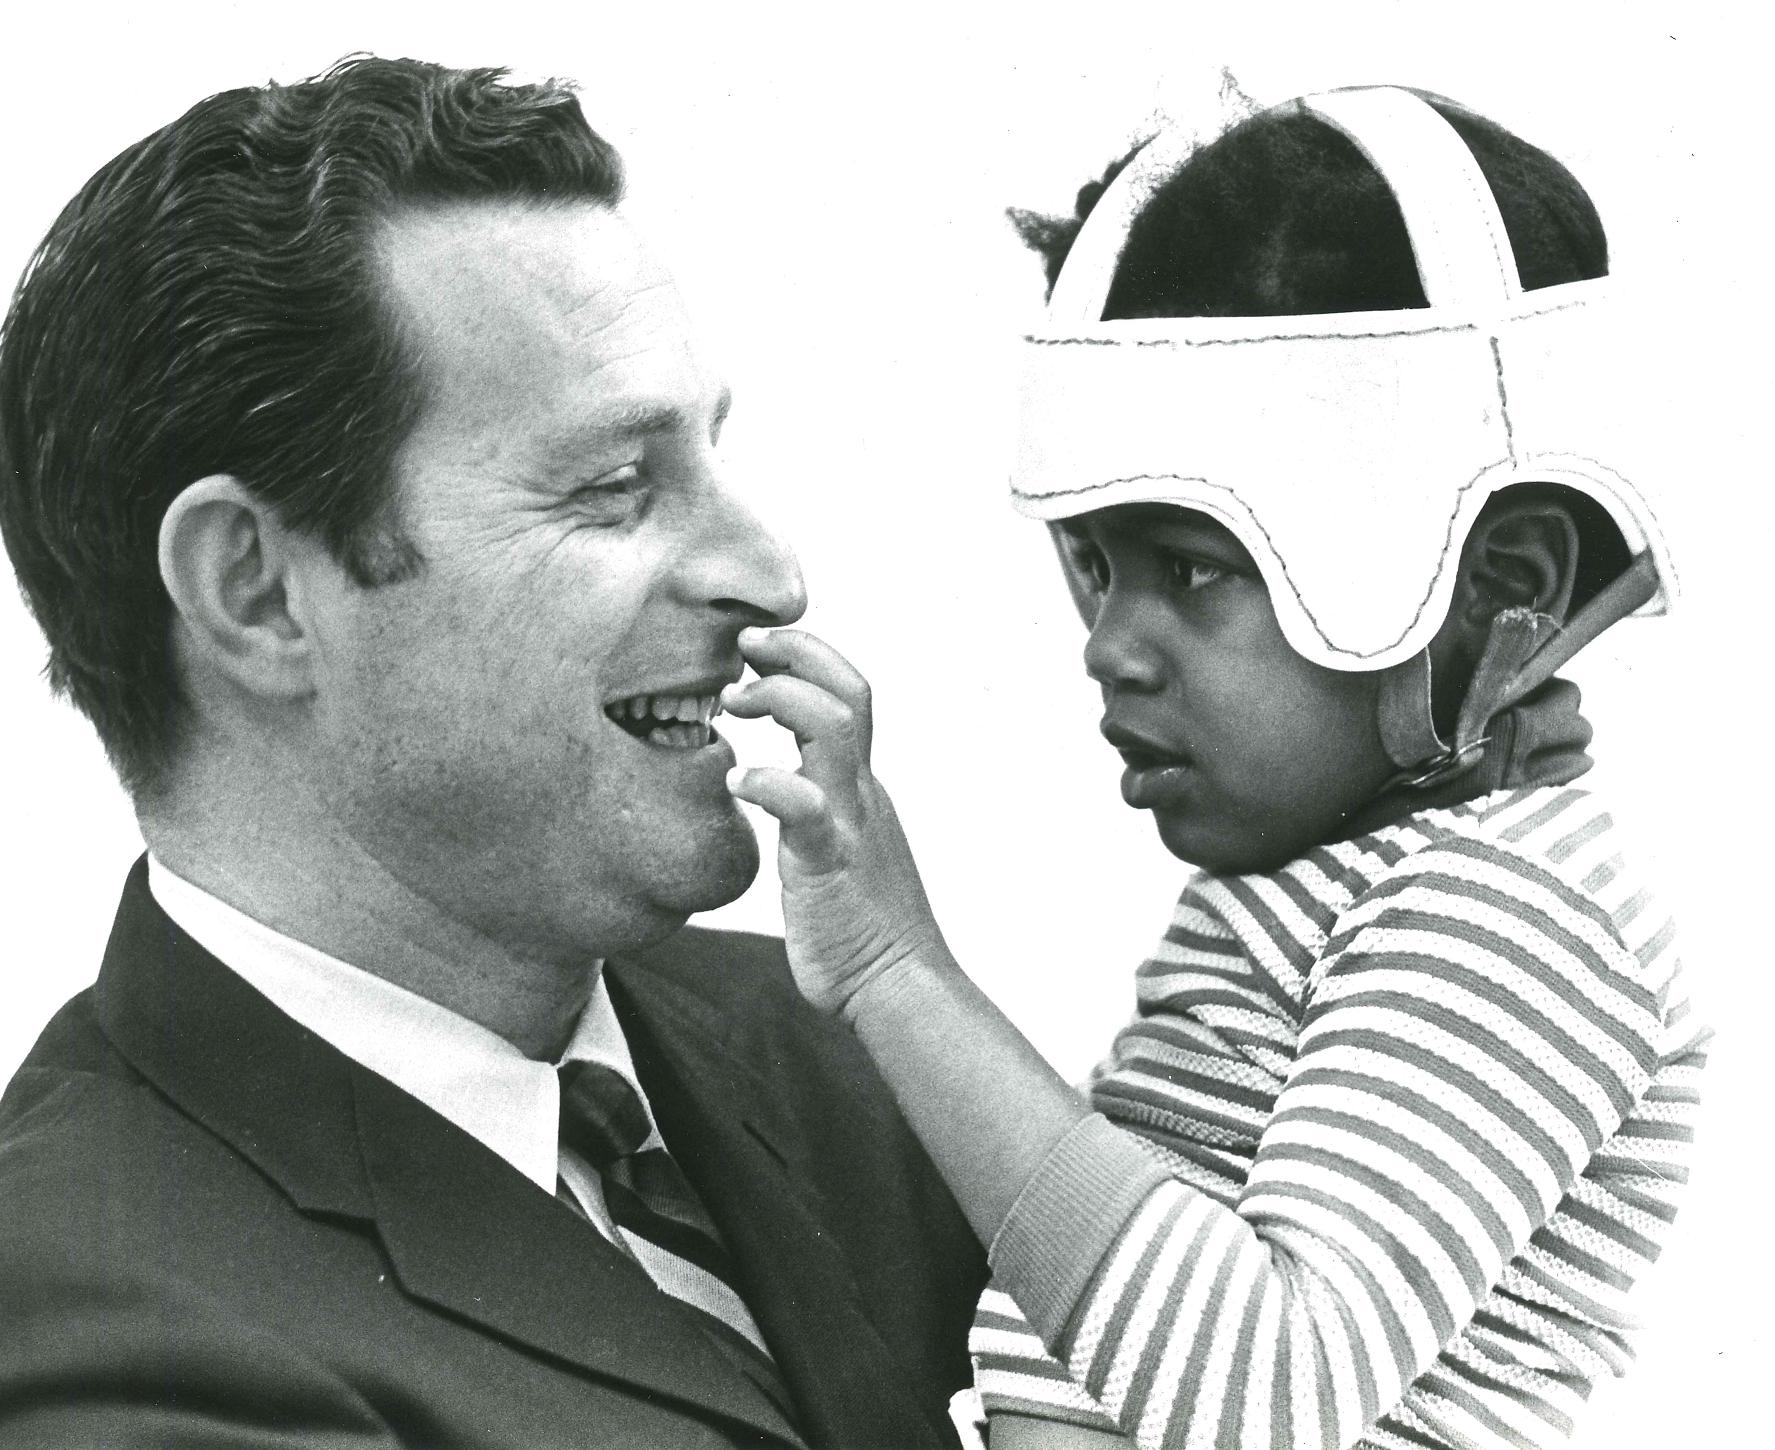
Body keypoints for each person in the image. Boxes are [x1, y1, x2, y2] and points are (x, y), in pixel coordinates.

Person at [0, 57, 987, 1448]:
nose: (770, 576)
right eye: (613, 488)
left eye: (710, 457)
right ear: (256, 592)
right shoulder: (73, 1344)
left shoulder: (845, 1052)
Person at [722, 87, 1706, 1449]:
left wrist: (899, 971)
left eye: (1193, 568)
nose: (1110, 647)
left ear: (1502, 586)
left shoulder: (1513, 912)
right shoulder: (1347, 883)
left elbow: (1267, 1381)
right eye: (1094, 564)